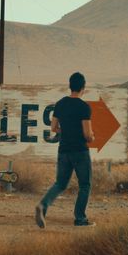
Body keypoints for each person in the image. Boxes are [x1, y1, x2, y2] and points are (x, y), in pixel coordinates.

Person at [35, 72, 95, 228]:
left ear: (70, 86)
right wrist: (92, 137)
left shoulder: (60, 104)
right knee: (85, 185)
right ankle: (80, 218)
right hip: (80, 151)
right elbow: (87, 134)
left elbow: (54, 127)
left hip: (64, 150)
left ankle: (43, 205)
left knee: (60, 184)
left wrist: (66, 130)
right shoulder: (84, 107)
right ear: (83, 87)